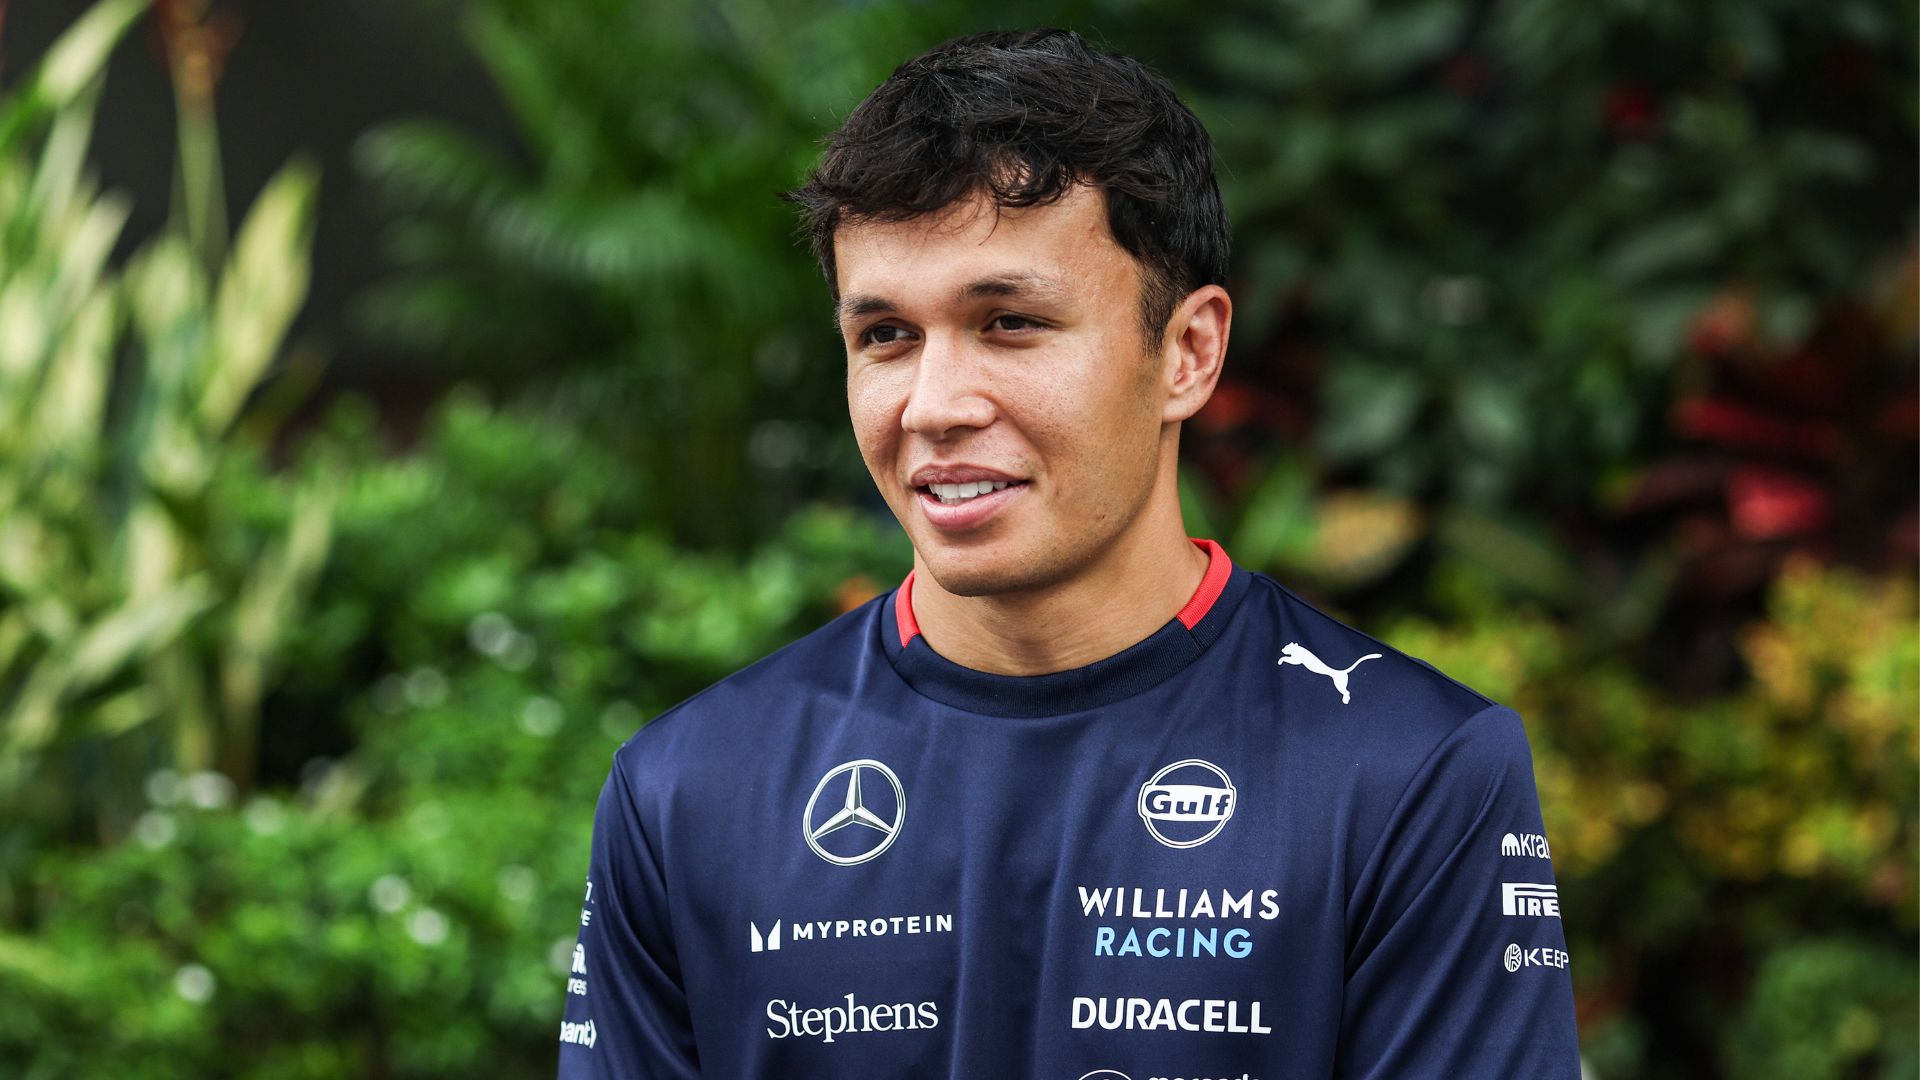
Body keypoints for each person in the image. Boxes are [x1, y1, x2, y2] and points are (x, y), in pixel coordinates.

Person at [557, 27, 1580, 1079]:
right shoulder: (688, 789)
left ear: (1187, 353)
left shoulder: (1410, 773)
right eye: (886, 337)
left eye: (1009, 322)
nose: (935, 406)